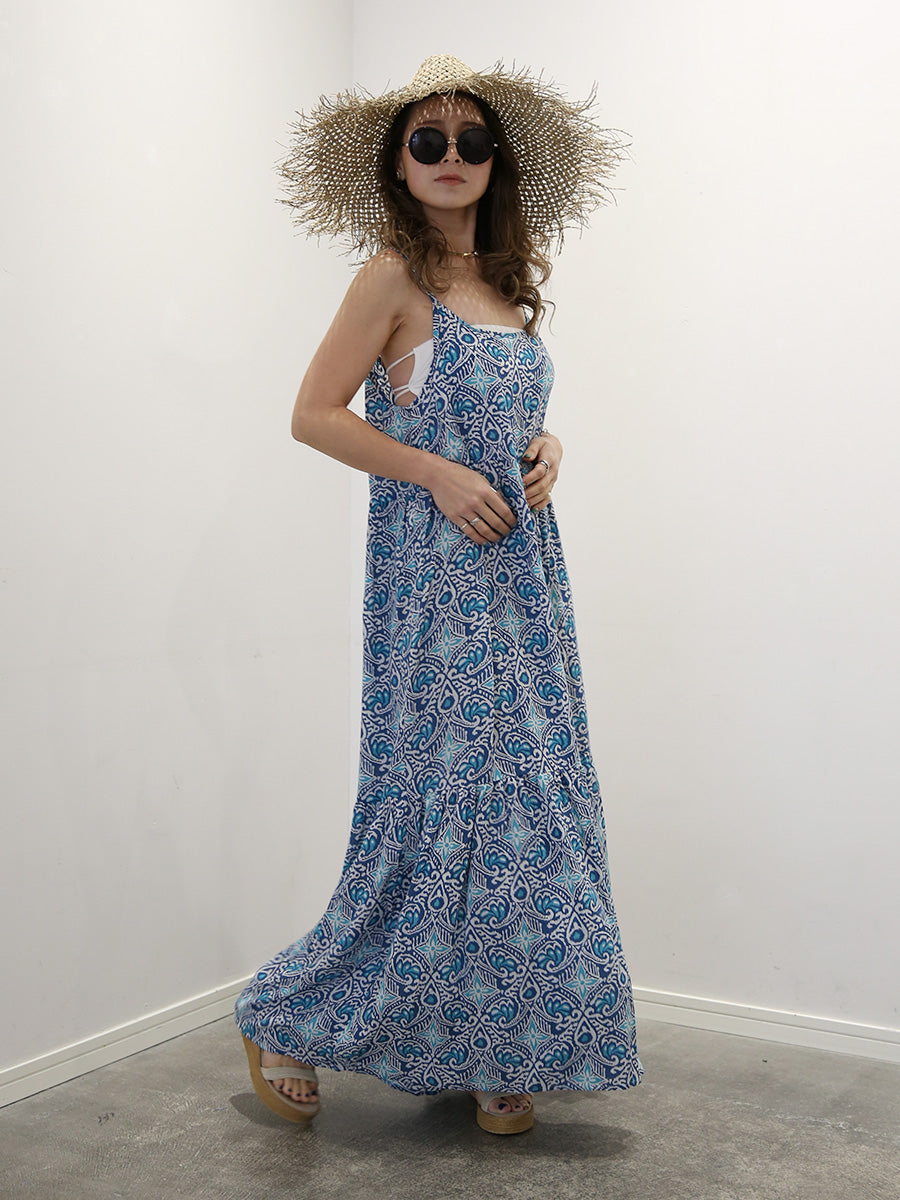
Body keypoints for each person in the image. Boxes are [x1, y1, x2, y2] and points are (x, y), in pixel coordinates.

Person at [235, 53, 642, 1135]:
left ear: (494, 161)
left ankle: (497, 1043)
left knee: (532, 811)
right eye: (429, 141)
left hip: (525, 585)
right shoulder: (389, 279)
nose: (450, 157)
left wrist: (548, 448)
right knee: (437, 809)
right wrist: (435, 473)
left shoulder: (507, 288)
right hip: (437, 591)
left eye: (470, 141)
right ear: (400, 163)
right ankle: (289, 1016)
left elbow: (505, 413)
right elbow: (315, 413)